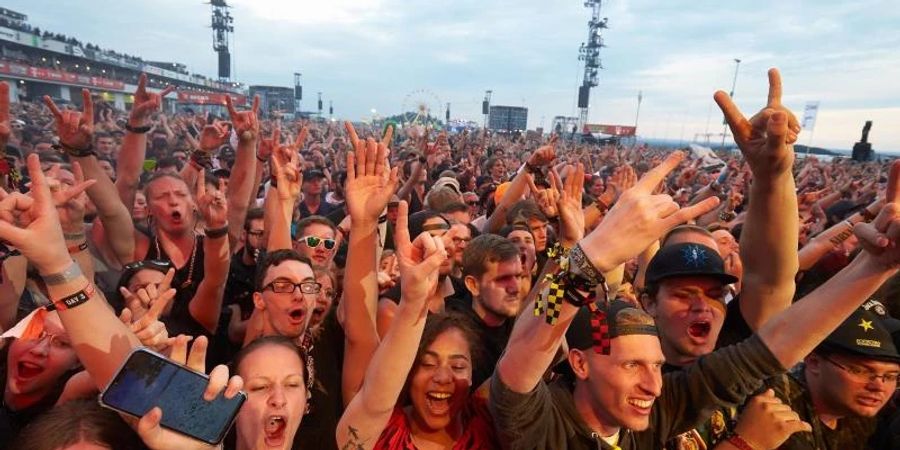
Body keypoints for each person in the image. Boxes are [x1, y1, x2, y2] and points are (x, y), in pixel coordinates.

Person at [489, 146, 900, 449]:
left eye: (656, 366)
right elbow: (527, 346)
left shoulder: (658, 411)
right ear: (579, 363)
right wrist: (592, 254)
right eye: (632, 365)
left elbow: (777, 344)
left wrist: (873, 269)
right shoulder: (540, 425)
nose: (653, 385)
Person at [337, 200, 499, 450]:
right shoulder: (377, 434)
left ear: (472, 374)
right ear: (407, 372)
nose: (443, 377)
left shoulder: (486, 423)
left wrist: (567, 250)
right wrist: (364, 225)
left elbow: (531, 340)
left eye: (458, 365)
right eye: (427, 363)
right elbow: (358, 334)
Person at [448, 233, 522, 389]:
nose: (515, 288)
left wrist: (567, 244)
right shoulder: (454, 336)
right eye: (502, 279)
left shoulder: (519, 320)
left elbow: (553, 291)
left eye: (518, 276)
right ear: (473, 285)